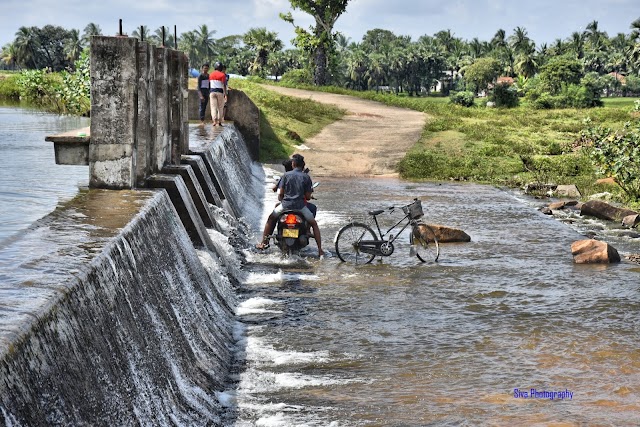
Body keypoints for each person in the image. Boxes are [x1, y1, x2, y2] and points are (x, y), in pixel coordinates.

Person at [257, 154, 324, 256]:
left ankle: (264, 243)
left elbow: (281, 193)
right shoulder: (306, 177)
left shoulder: (286, 175)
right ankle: (320, 250)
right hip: (300, 207)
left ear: (293, 164)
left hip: (285, 206)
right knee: (314, 224)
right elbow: (308, 196)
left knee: (271, 219)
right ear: (302, 165)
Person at [209, 62, 227, 127]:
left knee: (213, 107)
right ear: (221, 68)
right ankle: (219, 122)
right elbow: (224, 85)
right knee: (220, 107)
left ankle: (214, 120)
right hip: (220, 92)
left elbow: (209, 83)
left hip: (212, 92)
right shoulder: (222, 75)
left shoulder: (211, 74)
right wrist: (225, 94)